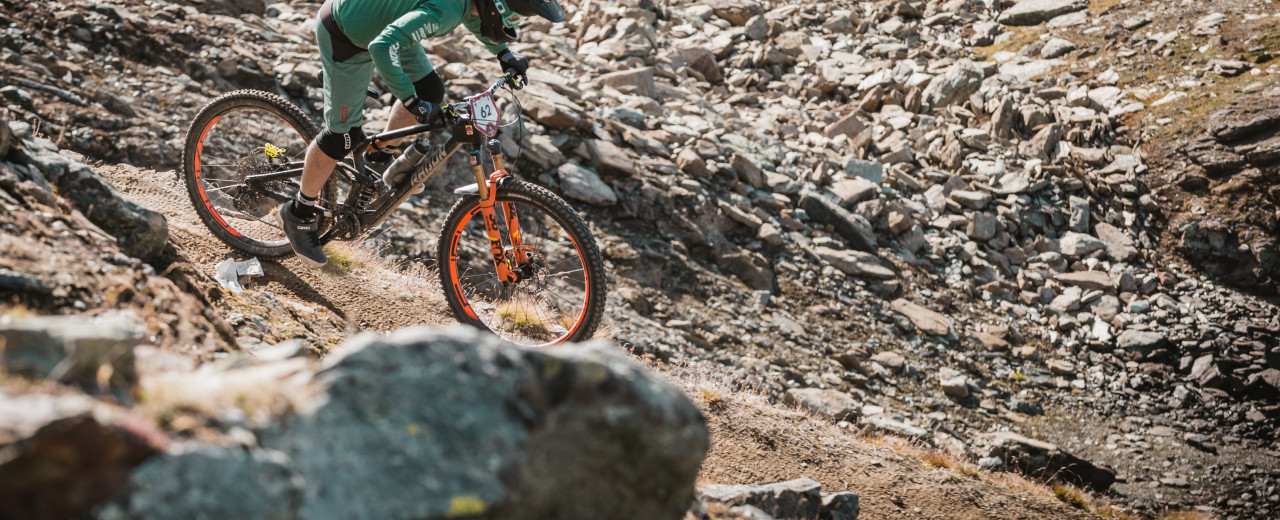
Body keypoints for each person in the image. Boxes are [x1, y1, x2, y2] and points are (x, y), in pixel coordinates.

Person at [279, 0, 566, 267]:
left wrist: (502, 52)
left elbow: (477, 14)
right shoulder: (447, 10)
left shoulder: (468, 5)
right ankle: (299, 212)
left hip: (385, 27)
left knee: (431, 91)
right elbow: (382, 47)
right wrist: (411, 101)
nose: (515, 21)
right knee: (340, 138)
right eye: (516, 15)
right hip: (345, 35)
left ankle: (380, 157)